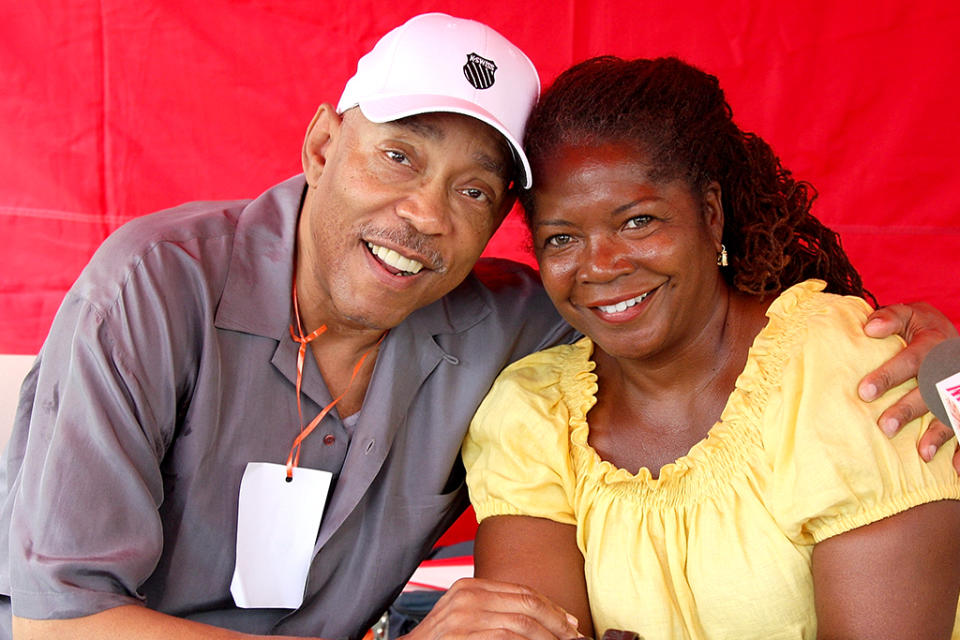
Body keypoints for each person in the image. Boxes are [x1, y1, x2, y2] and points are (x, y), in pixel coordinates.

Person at [0, 13, 953, 639]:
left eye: (473, 190)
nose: (425, 216)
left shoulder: (511, 326)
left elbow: (675, 311)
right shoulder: (154, 287)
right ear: (324, 143)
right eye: (399, 156)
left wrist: (943, 361)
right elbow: (60, 623)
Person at [462, 56, 960, 639]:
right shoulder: (534, 413)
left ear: (710, 213)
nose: (600, 266)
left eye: (639, 221)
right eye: (562, 238)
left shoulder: (846, 373)